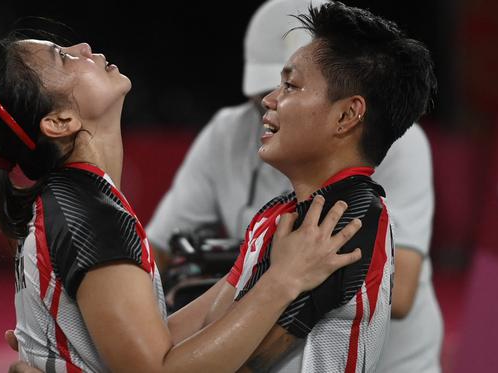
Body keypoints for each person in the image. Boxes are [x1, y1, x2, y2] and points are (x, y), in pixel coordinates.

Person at [0, 27, 365, 371]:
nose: (83, 49)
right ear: (61, 122)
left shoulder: (77, 199)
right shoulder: (90, 215)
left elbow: (158, 341)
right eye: (64, 59)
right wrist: (283, 281)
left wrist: (250, 270)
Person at [147, 0, 444, 371]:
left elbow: (232, 364)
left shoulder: (351, 219)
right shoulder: (277, 214)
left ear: (347, 115)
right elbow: (171, 344)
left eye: (290, 86)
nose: (270, 100)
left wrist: (278, 280)